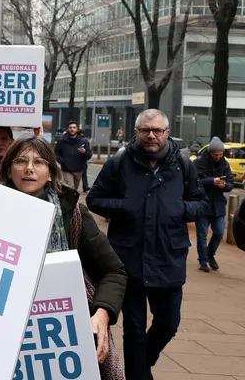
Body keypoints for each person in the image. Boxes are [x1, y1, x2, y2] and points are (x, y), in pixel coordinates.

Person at [87, 109, 208, 380]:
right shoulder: (120, 162)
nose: (151, 135)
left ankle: (142, 365)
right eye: (145, 130)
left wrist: (179, 209)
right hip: (129, 258)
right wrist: (124, 207)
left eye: (157, 130)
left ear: (167, 133)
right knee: (133, 330)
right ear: (137, 132)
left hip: (168, 258)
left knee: (168, 324)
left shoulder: (183, 165)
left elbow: (201, 203)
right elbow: (95, 199)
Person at [0, 137, 127, 378]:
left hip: (61, 332)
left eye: (39, 162)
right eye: (21, 161)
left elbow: (113, 272)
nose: (29, 168)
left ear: (50, 173)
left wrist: (103, 313)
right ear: (8, 170)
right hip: (6, 331)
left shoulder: (73, 213)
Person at [194, 136, 233, 272]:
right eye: (216, 154)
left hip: (218, 205)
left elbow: (230, 183)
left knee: (219, 232)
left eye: (220, 154)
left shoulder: (225, 164)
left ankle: (210, 255)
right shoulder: (199, 162)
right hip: (202, 203)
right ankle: (203, 261)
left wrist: (224, 185)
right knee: (202, 234)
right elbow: (194, 181)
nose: (218, 157)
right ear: (210, 152)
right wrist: (212, 181)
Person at [55, 121, 92, 192]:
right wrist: (62, 161)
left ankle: (70, 199)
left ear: (77, 129)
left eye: (74, 128)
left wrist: (84, 152)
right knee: (70, 188)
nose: (72, 129)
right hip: (66, 169)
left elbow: (89, 155)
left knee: (74, 190)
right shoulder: (62, 141)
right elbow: (56, 153)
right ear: (67, 129)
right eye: (70, 128)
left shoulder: (83, 141)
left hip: (78, 170)